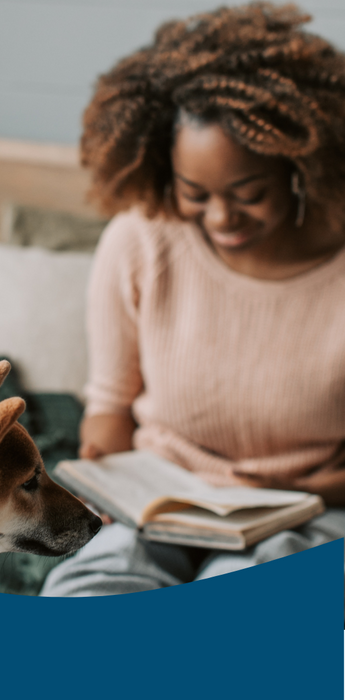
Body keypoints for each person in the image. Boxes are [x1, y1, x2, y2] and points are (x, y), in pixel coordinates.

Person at [41, 2, 345, 596]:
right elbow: (110, 404)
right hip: (163, 502)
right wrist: (101, 479)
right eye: (195, 194)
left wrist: (297, 497)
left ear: (297, 165)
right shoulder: (139, 241)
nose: (222, 216)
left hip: (306, 514)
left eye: (248, 192)